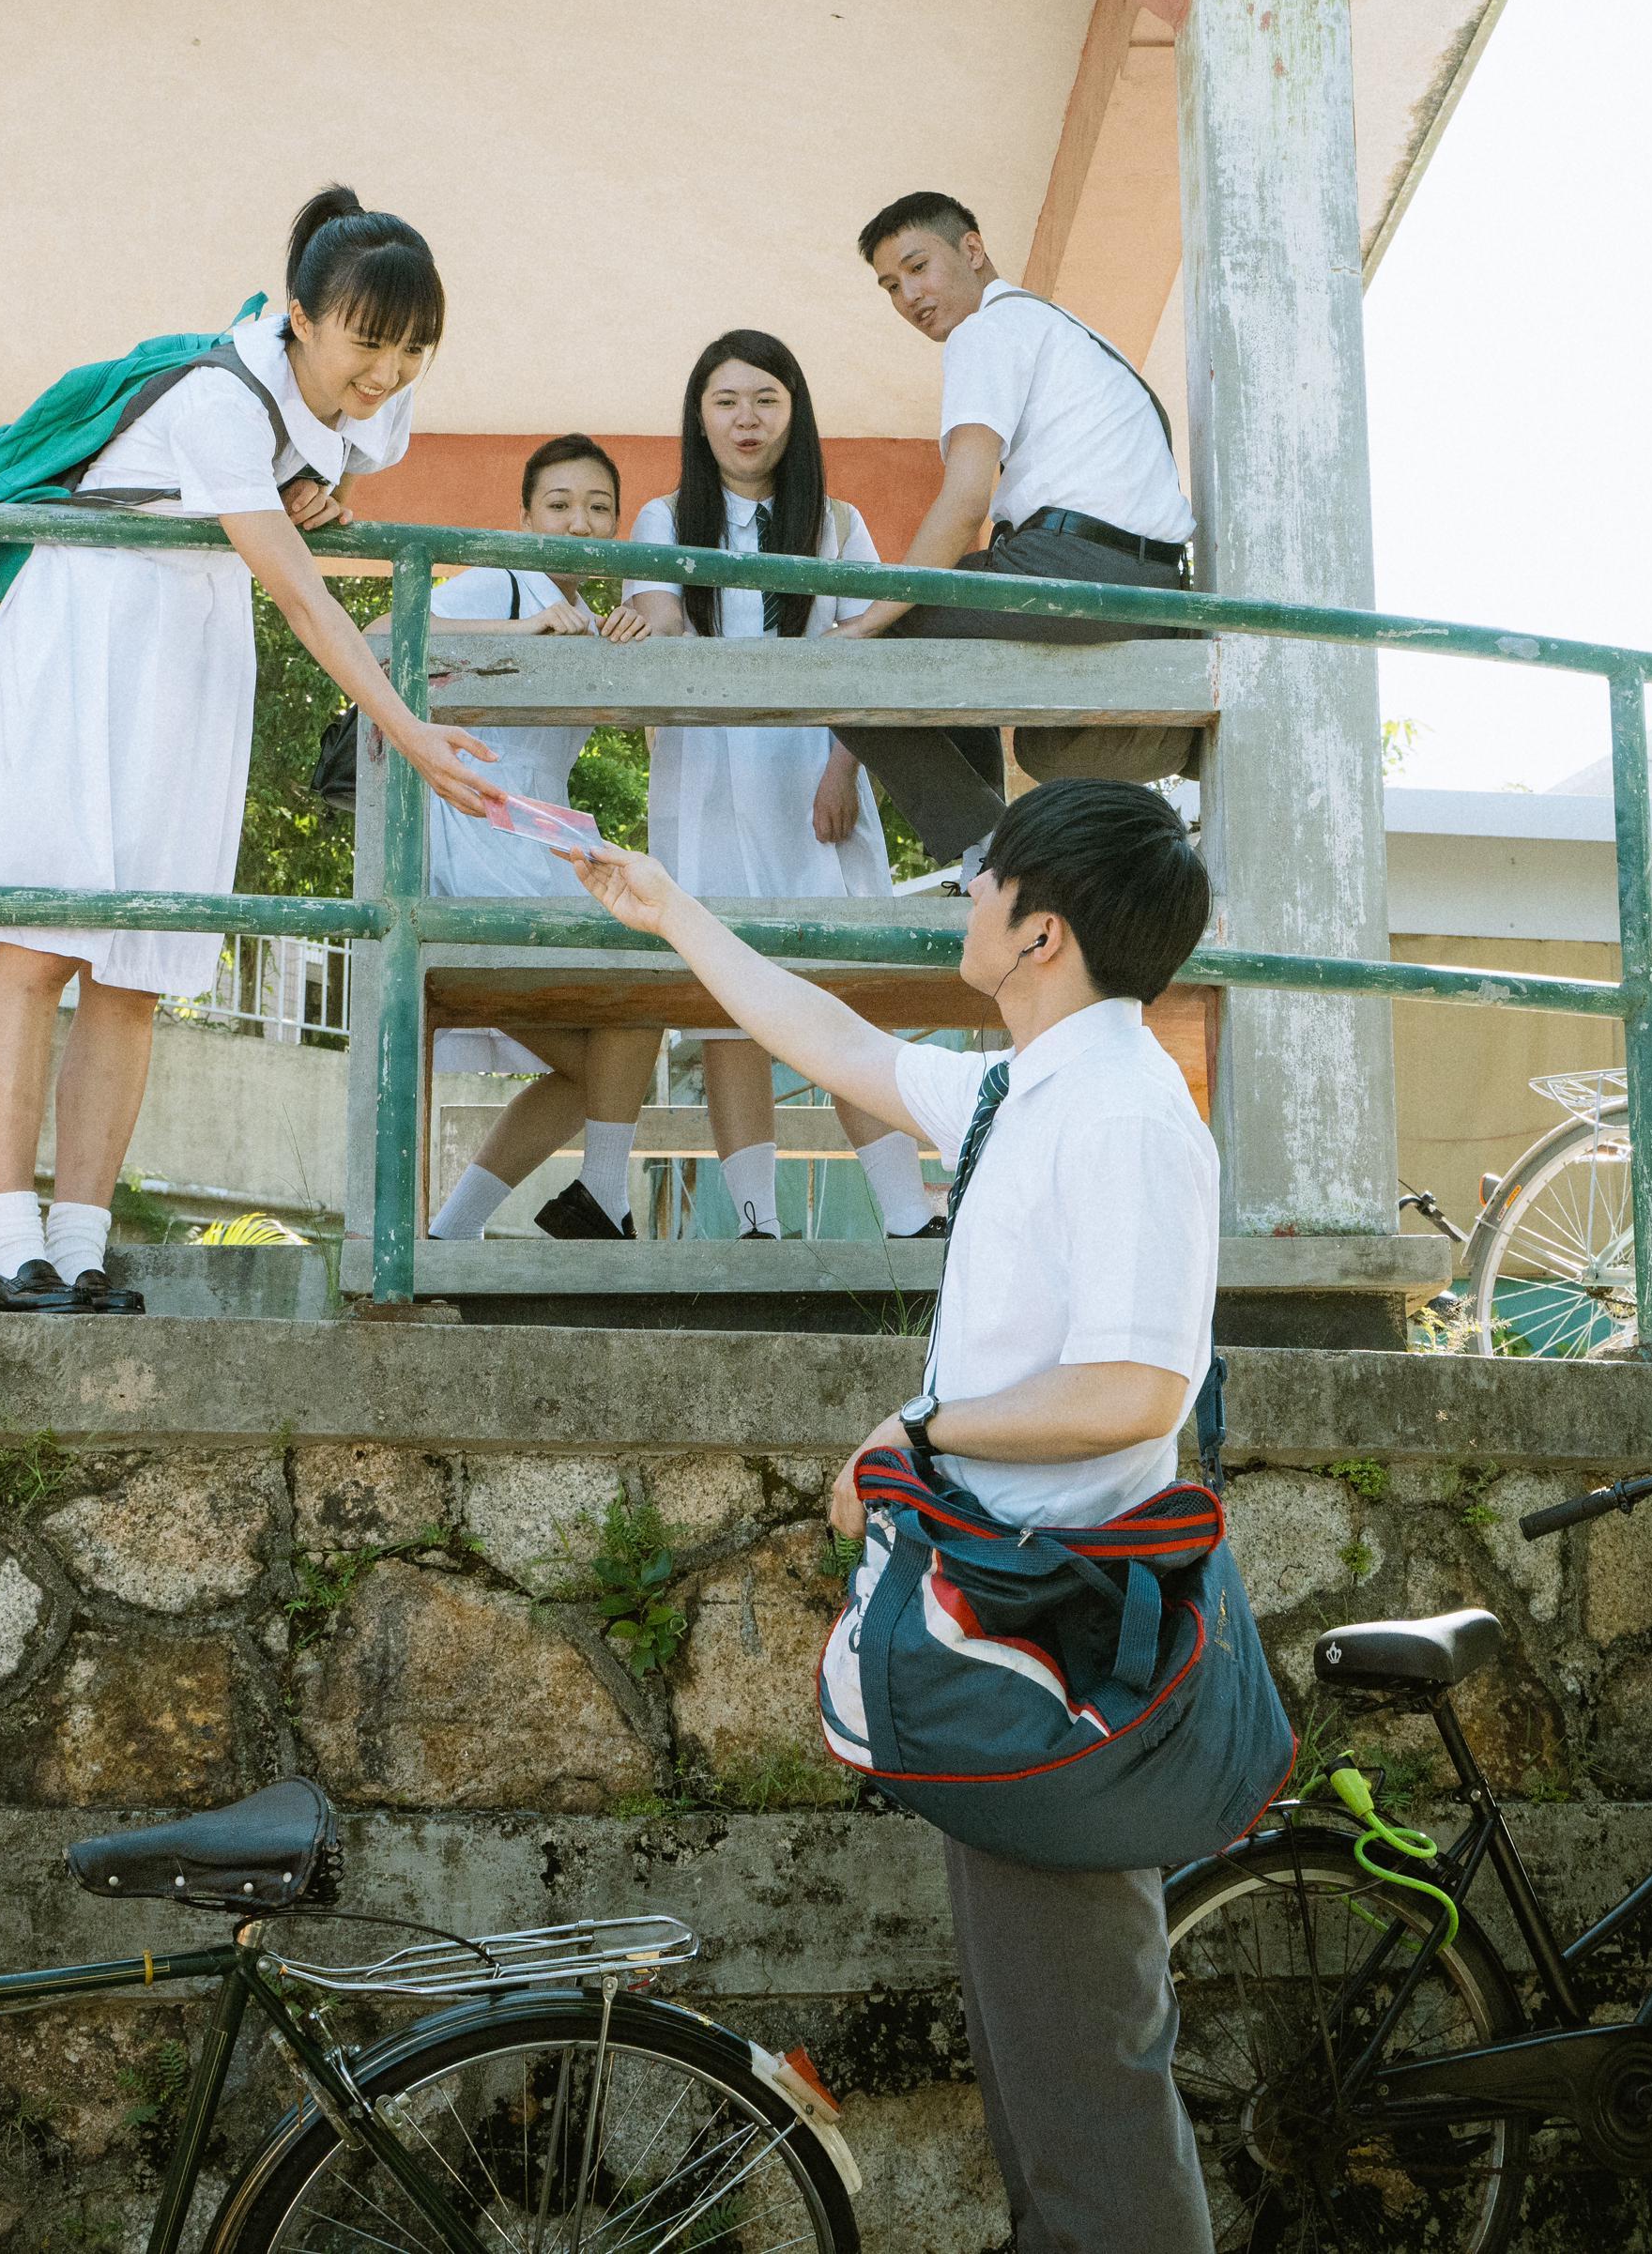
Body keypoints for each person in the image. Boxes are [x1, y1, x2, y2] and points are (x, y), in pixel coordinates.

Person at [559, 781, 1218, 2250]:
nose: (965, 889)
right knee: (1047, 2070)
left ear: (1041, 931)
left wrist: (922, 1430)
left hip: (1058, 1644)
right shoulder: (1029, 1088)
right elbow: (836, 1044)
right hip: (1008, 1630)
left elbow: (1135, 1385)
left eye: (987, 873)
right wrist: (671, 910)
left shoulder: (1121, 1113)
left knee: (1090, 2095)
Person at [0, 190, 501, 1315]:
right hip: (87, 636)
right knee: (41, 939)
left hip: (191, 652)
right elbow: (300, 595)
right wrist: (405, 731)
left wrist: (322, 482)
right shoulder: (216, 399)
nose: (388, 372)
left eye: (413, 349)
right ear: (299, 317)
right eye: (367, 342)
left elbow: (345, 457)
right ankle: (6, 1245)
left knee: (137, 963)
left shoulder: (360, 398)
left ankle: (80, 1244)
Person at [601, 330, 942, 1238]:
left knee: (839, 990)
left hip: (811, 779)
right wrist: (639, 625)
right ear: (698, 416)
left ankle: (906, 1214)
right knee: (728, 1000)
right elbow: (662, 623)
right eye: (725, 401)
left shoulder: (837, 523)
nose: (745, 419)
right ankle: (756, 1224)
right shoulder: (662, 520)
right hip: (706, 783)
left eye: (765, 399)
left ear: (794, 412)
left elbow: (868, 653)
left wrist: (841, 768)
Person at [828, 195, 1201, 878]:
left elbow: (965, 498)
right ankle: (1185, 745)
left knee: (843, 660)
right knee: (1043, 748)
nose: (909, 296)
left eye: (917, 267)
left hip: (1071, 564)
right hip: (1157, 592)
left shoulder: (987, 330)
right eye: (891, 286)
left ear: (971, 250)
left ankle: (993, 855)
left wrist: (873, 619)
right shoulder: (1065, 332)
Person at [412, 435, 665, 1245]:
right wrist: (527, 629)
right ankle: (599, 1200)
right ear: (524, 519)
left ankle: (463, 1232)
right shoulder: (507, 580)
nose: (578, 523)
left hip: (542, 841)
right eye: (559, 506)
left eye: (598, 508)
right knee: (640, 990)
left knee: (609, 1053)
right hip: (482, 839)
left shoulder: (591, 615)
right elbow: (387, 628)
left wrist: (622, 643)